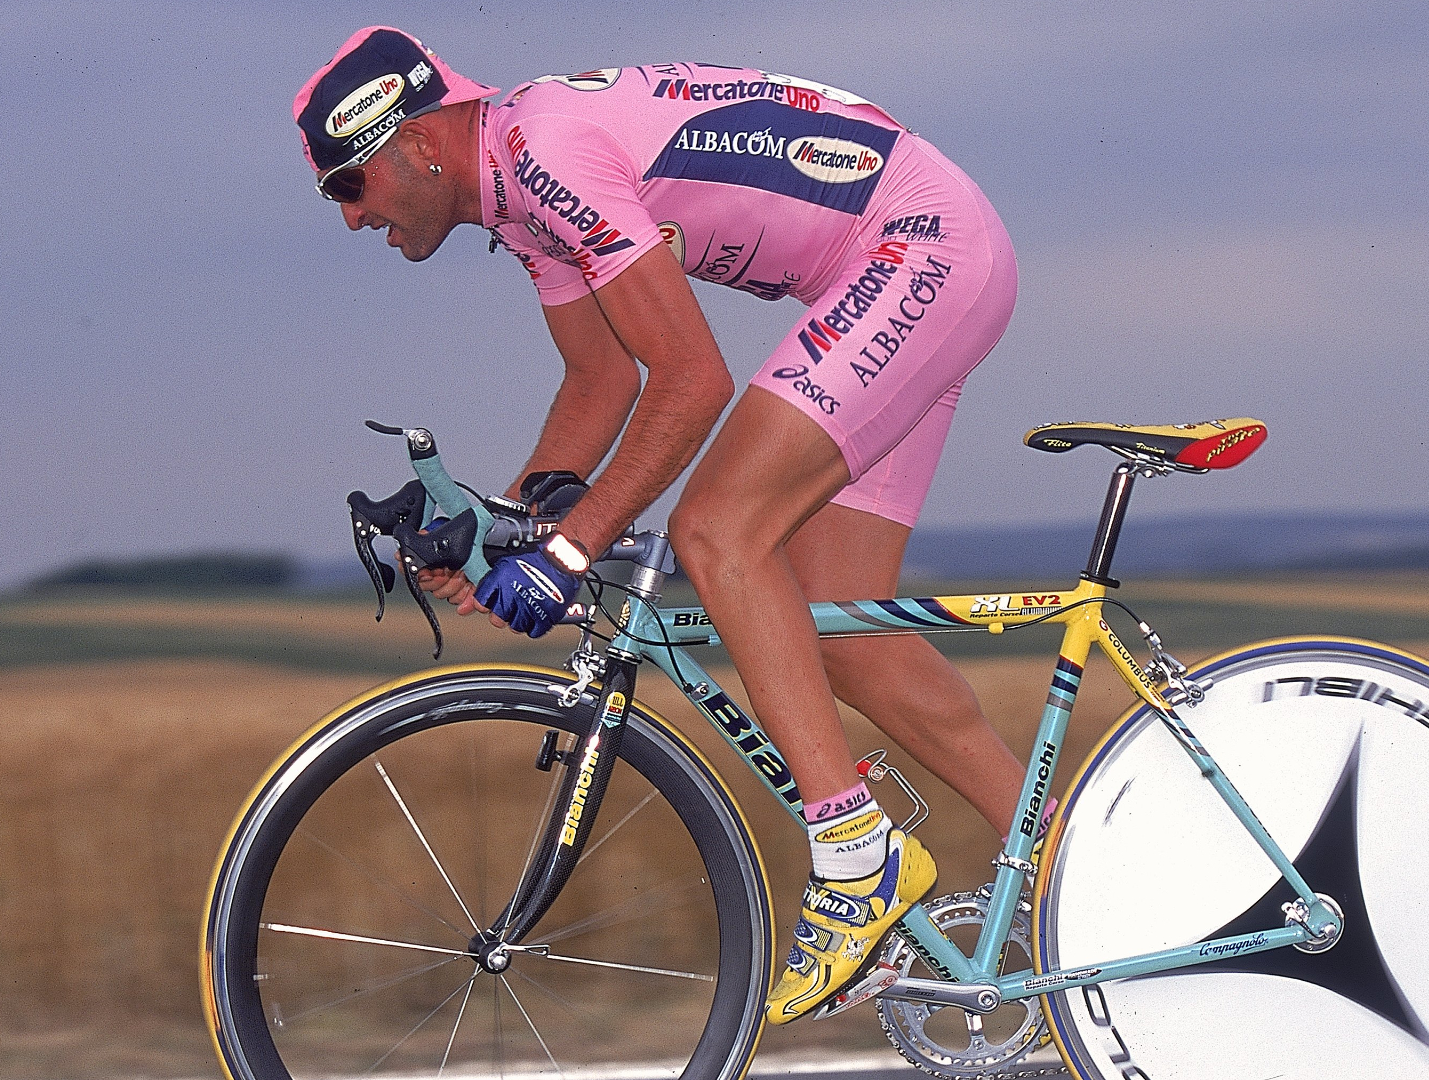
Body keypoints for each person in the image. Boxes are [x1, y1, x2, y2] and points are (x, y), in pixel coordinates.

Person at [295, 27, 1023, 1023]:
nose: (349, 216)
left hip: (919, 249)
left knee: (719, 531)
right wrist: (504, 529)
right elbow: (601, 381)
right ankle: (1080, 861)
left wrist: (569, 549)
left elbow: (691, 381)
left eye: (348, 183)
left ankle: (857, 856)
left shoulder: (543, 154)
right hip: (919, 258)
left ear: (417, 141)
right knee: (845, 629)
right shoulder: (518, 195)